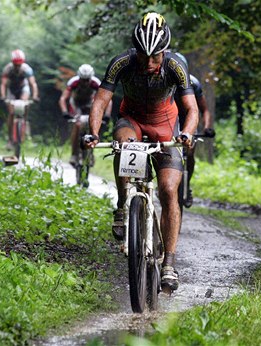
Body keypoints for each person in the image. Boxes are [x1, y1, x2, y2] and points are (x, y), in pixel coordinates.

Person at [85, 12, 199, 292]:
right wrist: (94, 133)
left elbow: (191, 108)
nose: (148, 63)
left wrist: (187, 134)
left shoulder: (176, 64)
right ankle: (124, 204)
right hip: (132, 120)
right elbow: (101, 101)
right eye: (142, 56)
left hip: (166, 125)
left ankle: (169, 263)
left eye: (155, 57)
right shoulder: (122, 63)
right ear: (135, 49)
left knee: (169, 190)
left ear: (164, 51)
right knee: (123, 144)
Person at [174, 53, 215, 208]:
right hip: (170, 120)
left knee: (190, 152)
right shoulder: (166, 79)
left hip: (189, 120)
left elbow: (204, 110)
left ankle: (187, 185)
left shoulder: (194, 83)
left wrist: (206, 127)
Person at [59, 64, 112, 166]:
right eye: (83, 80)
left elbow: (107, 100)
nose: (84, 82)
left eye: (87, 80)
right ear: (79, 77)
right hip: (76, 105)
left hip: (89, 105)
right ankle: (74, 154)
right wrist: (65, 112)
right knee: (78, 125)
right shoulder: (73, 82)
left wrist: (107, 114)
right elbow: (63, 98)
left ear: (90, 78)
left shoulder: (96, 83)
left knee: (94, 127)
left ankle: (91, 154)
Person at [0, 49, 40, 149]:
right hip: (12, 90)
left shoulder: (27, 69)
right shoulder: (7, 69)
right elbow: (3, 84)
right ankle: (10, 139)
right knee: (11, 113)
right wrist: (3, 96)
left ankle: (24, 125)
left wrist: (35, 96)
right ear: (12, 63)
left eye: (19, 64)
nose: (17, 66)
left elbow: (33, 84)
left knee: (24, 105)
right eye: (15, 64)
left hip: (23, 88)